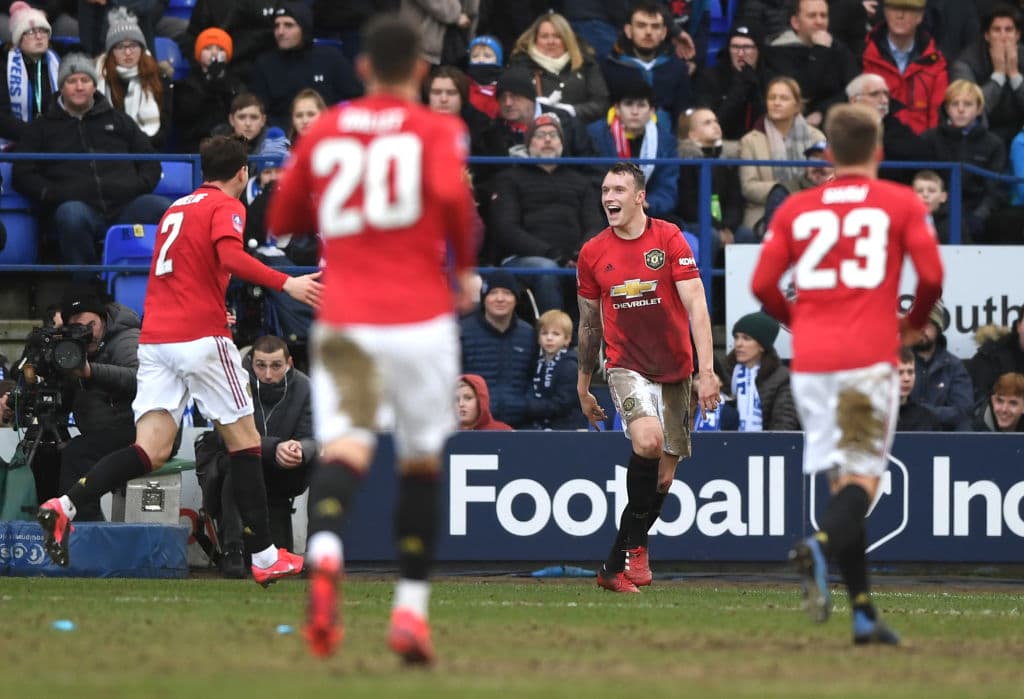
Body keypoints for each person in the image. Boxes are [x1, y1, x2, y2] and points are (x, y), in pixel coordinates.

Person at [265, 14, 477, 664]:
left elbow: (283, 217)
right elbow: (456, 206)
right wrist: (463, 271)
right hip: (418, 318)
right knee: (418, 462)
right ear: (420, 69)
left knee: (348, 448)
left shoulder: (327, 128)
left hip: (347, 315)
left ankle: (325, 557)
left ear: (361, 69)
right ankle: (410, 613)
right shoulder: (440, 127)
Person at [35, 135, 323, 586]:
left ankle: (63, 506)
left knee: (148, 448)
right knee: (246, 442)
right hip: (199, 338)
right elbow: (230, 255)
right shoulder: (226, 206)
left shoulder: (175, 208)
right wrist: (286, 283)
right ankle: (265, 555)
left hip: (156, 341)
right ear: (243, 173)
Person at [751, 103, 944, 645]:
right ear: (878, 151)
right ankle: (817, 542)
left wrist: (802, 324)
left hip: (810, 365)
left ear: (828, 153)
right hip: (866, 360)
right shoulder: (900, 202)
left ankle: (862, 612)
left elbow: (764, 286)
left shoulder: (795, 210)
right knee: (864, 481)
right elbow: (931, 275)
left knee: (842, 483)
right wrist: (911, 324)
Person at [576, 161, 716, 593]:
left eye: (618, 189)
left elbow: (696, 304)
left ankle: (613, 565)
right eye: (604, 190)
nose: (609, 197)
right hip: (625, 364)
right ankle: (634, 549)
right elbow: (588, 325)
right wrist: (583, 383)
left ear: (640, 197)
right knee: (649, 442)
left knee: (663, 478)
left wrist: (707, 371)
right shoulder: (592, 252)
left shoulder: (669, 238)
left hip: (676, 367)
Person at [12, 53, 169, 269]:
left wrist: (139, 185)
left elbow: (150, 160)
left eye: (85, 80)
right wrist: (51, 193)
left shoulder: (119, 120)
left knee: (164, 208)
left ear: (94, 85)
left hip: (126, 205)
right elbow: (22, 172)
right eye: (72, 81)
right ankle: (86, 287)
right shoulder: (42, 128)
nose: (79, 87)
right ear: (62, 86)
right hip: (80, 209)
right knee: (71, 215)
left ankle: (160, 280)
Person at [194, 334, 316, 578]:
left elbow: (312, 436)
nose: (268, 374)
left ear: (289, 363)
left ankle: (318, 555)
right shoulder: (235, 383)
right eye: (261, 365)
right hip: (244, 464)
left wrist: (300, 449)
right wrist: (273, 448)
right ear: (251, 363)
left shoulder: (304, 387)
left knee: (325, 462)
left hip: (286, 470)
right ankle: (233, 551)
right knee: (236, 462)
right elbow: (222, 435)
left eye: (276, 366)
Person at [490, 112, 604, 314]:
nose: (548, 140)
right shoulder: (509, 178)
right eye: (540, 135)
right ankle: (554, 337)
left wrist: (580, 254)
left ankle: (590, 340)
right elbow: (506, 229)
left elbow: (594, 225)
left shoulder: (580, 180)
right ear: (528, 143)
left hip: (575, 256)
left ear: (562, 142)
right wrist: (552, 254)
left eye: (553, 135)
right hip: (526, 258)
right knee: (547, 269)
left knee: (602, 269)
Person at [249, 1, 363, 130]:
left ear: (304, 28)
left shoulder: (329, 57)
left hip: (326, 132)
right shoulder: (264, 63)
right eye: (276, 26)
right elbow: (259, 112)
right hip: (281, 139)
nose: (280, 32)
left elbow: (358, 97)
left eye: (288, 25)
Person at [921, 80, 1007, 242]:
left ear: (979, 108)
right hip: (935, 213)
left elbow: (995, 189)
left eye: (967, 104)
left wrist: (979, 215)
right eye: (955, 104)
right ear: (946, 108)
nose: (960, 110)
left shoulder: (993, 143)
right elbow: (921, 179)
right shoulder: (929, 139)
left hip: (975, 214)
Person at [739, 76, 825, 229]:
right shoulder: (750, 141)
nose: (776, 103)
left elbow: (826, 179)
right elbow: (749, 187)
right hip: (762, 214)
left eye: (784, 98)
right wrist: (784, 191)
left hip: (810, 210)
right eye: (772, 98)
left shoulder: (816, 137)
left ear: (797, 105)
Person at [587, 76, 678, 218]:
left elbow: (667, 186)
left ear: (652, 110)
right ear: (617, 108)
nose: (635, 111)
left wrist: (650, 203)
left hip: (650, 213)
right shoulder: (596, 135)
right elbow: (592, 180)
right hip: (605, 213)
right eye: (629, 104)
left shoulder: (665, 141)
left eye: (641, 105)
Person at [761, 0, 859, 128]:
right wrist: (820, 51)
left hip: (834, 126)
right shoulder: (778, 52)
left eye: (823, 16)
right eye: (812, 16)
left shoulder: (840, 51)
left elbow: (854, 89)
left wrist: (822, 112)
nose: (819, 22)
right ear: (795, 23)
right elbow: (801, 92)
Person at [460, 270, 536, 428]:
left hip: (520, 427)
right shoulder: (462, 332)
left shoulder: (529, 335)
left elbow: (535, 379)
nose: (500, 299)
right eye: (493, 292)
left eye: (507, 293)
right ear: (484, 298)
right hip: (472, 429)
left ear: (516, 299)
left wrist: (525, 405)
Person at [860, 0, 948, 136]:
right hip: (874, 146)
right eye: (894, 8)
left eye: (908, 9)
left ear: (920, 16)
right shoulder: (864, 55)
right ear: (885, 12)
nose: (900, 15)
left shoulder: (935, 63)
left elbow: (937, 118)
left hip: (922, 150)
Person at [601, 1, 693, 128]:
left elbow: (682, 113)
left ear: (664, 33)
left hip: (666, 139)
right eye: (641, 25)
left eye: (655, 27)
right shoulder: (610, 66)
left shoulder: (677, 68)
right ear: (628, 30)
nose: (648, 32)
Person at [507, 11, 609, 124]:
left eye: (557, 36)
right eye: (544, 36)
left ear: (567, 40)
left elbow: (601, 104)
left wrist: (572, 111)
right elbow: (510, 104)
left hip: (579, 132)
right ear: (535, 40)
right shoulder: (521, 65)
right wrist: (535, 106)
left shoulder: (586, 64)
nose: (551, 42)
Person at [951, 4, 1024, 148]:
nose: (1003, 36)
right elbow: (966, 109)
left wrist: (1015, 75)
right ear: (987, 35)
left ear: (1018, 35)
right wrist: (999, 75)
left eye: (1009, 30)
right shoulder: (966, 62)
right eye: (996, 30)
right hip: (982, 137)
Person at [95, 8, 167, 147]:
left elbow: (163, 132)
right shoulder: (99, 78)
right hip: (108, 152)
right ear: (111, 52)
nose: (128, 52)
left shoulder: (159, 78)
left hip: (148, 151)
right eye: (120, 47)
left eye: (133, 45)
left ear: (142, 48)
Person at [173, 25, 246, 154]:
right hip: (196, 146)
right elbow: (186, 116)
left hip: (230, 145)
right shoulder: (186, 84)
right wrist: (211, 83)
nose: (214, 53)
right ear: (199, 54)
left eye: (220, 49)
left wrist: (220, 83)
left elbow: (239, 111)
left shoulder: (236, 83)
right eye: (207, 48)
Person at [723, 311, 800, 431]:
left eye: (746, 338)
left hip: (767, 448)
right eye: (736, 337)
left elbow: (784, 425)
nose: (738, 344)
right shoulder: (726, 373)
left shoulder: (782, 378)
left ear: (762, 345)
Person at [695, 23, 768, 144]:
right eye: (735, 47)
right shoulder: (710, 77)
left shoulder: (770, 78)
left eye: (747, 47)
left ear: (758, 50)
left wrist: (755, 91)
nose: (740, 53)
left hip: (763, 144)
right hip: (722, 143)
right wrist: (738, 89)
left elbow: (771, 124)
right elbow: (712, 125)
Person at [909, 300, 976, 431]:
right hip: (903, 437)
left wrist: (924, 412)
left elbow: (963, 411)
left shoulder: (954, 366)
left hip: (943, 441)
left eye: (928, 324)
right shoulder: (898, 363)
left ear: (938, 328)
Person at [0, 1, 60, 146]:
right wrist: (33, 135)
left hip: (55, 141)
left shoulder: (59, 64)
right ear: (19, 39)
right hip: (17, 142)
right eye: (31, 32)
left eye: (43, 30)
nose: (39, 36)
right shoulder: (3, 67)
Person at [523, 309, 586, 431]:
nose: (549, 338)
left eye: (556, 334)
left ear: (567, 339)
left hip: (568, 427)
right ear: (538, 338)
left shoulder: (571, 366)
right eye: (544, 333)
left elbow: (564, 403)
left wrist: (530, 407)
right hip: (540, 425)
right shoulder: (536, 362)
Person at [896, 346, 943, 431]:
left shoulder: (927, 419)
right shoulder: (869, 418)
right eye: (899, 373)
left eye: (910, 372)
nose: (907, 379)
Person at [912, 169, 953, 243]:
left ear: (943, 197)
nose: (925, 195)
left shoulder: (953, 222)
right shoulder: (904, 221)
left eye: (931, 191)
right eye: (919, 191)